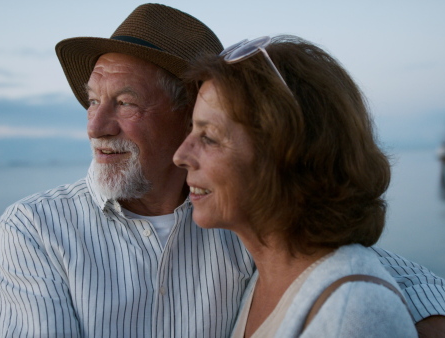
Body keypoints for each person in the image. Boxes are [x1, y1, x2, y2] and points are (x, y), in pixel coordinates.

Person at [0, 3, 445, 337]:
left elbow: (359, 270)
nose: (95, 126)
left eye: (124, 102)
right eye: (92, 101)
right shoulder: (37, 228)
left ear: (191, 114)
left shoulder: (240, 209)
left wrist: (411, 318)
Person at [173, 34, 419, 337]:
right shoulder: (266, 275)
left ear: (285, 154)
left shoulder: (352, 313)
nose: (180, 156)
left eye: (208, 137)